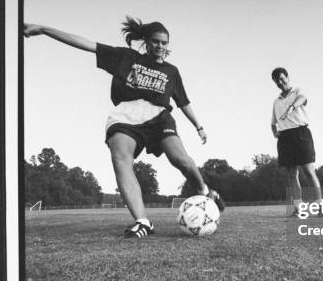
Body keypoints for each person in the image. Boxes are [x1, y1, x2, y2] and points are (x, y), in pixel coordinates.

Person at [23, 16, 224, 238]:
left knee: (181, 160)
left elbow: (183, 102)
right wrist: (43, 29)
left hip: (159, 117)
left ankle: (204, 190)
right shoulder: (125, 57)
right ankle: (143, 221)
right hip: (125, 116)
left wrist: (199, 126)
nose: (160, 46)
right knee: (121, 159)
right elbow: (86, 44)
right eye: (156, 41)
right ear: (146, 42)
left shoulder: (171, 71)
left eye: (164, 43)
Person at [270, 67, 322, 216]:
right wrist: (275, 133)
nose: (280, 82)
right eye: (276, 81)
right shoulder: (276, 101)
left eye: (281, 78)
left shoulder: (297, 91)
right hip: (285, 137)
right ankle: (299, 209)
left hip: (301, 133)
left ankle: (320, 207)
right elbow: (273, 123)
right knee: (292, 174)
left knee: (309, 171)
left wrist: (292, 106)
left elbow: (303, 99)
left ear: (287, 77)